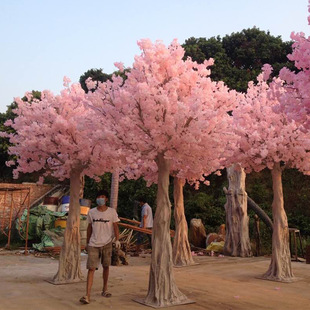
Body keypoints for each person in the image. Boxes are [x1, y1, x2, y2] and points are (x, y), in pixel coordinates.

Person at [79, 190, 120, 305]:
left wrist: (117, 239)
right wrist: (87, 242)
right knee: (91, 268)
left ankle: (105, 289)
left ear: (106, 199)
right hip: (93, 244)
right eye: (98, 197)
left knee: (106, 266)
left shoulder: (112, 212)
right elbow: (89, 228)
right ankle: (87, 295)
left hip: (107, 243)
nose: (100, 199)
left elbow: (115, 226)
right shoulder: (91, 212)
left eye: (102, 197)